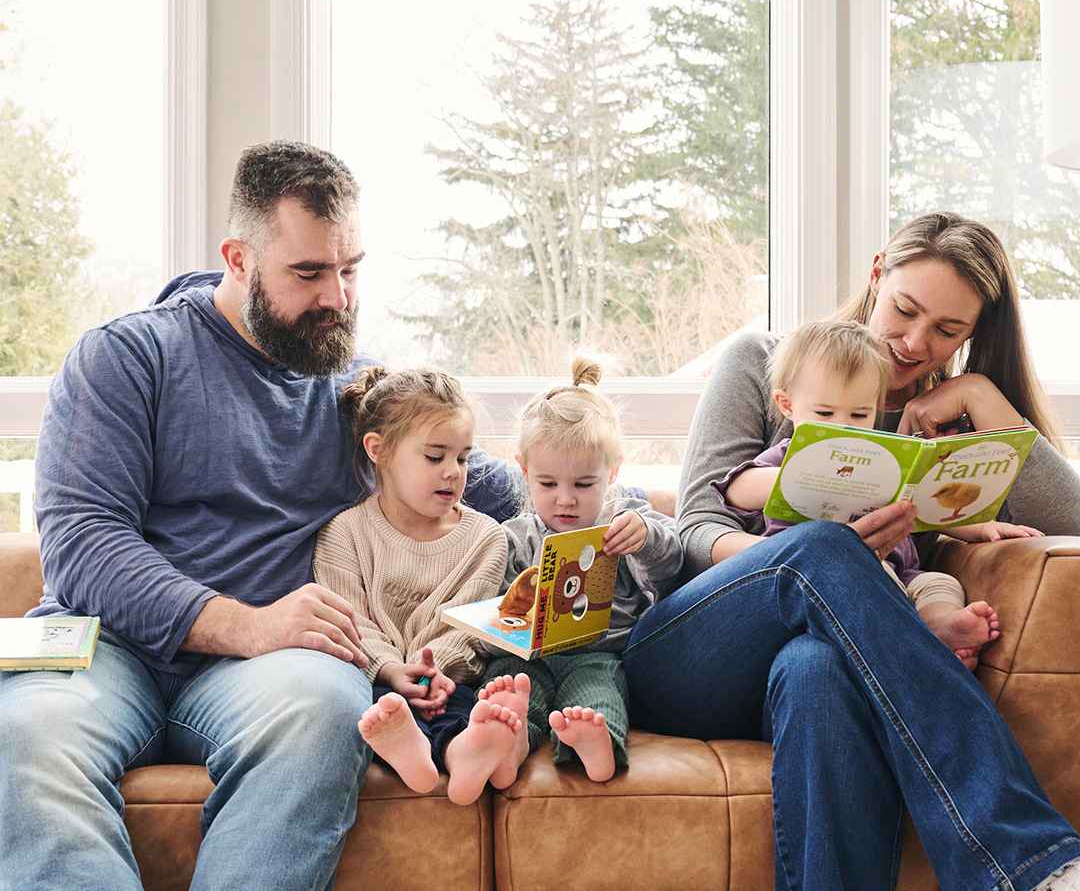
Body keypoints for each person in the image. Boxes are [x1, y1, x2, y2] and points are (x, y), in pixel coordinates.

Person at [0, 140, 523, 891]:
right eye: (307, 275)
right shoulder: (128, 357)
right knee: (17, 744)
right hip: (115, 642)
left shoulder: (359, 390)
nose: (334, 297)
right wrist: (241, 619)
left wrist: (620, 514)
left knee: (317, 714)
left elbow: (494, 484)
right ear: (237, 256)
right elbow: (81, 542)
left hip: (271, 671)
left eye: (350, 270)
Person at [621, 212, 1080, 891]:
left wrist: (984, 403)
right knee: (826, 565)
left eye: (946, 333)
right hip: (692, 647)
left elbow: (1074, 516)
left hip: (817, 660)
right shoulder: (765, 358)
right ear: (875, 277)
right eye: (905, 309)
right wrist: (814, 556)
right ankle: (1033, 863)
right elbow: (692, 521)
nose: (916, 342)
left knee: (823, 677)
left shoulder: (945, 407)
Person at [714, 318, 1043, 667]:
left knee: (940, 584)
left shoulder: (883, 460)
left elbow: (923, 507)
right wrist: (798, 476)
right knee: (873, 576)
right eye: (825, 412)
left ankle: (940, 625)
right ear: (788, 405)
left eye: (859, 414)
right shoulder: (788, 457)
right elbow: (736, 490)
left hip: (903, 573)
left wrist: (981, 528)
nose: (843, 425)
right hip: (831, 580)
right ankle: (910, 644)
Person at [313, 365, 524, 806]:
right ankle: (409, 749)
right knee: (371, 710)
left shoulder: (486, 538)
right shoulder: (345, 534)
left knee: (471, 706)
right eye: (435, 457)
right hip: (376, 679)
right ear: (380, 450)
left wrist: (437, 675)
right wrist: (391, 670)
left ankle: (460, 751)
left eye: (463, 458)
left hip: (452, 682)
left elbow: (472, 629)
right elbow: (347, 620)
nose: (454, 472)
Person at [479, 355, 683, 785]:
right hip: (526, 657)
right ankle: (509, 741)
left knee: (598, 697)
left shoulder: (625, 519)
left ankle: (596, 741)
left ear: (612, 472)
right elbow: (490, 610)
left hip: (598, 654)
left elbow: (671, 568)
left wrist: (645, 537)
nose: (566, 500)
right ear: (525, 471)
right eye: (548, 484)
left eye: (584, 484)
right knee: (507, 688)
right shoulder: (513, 537)